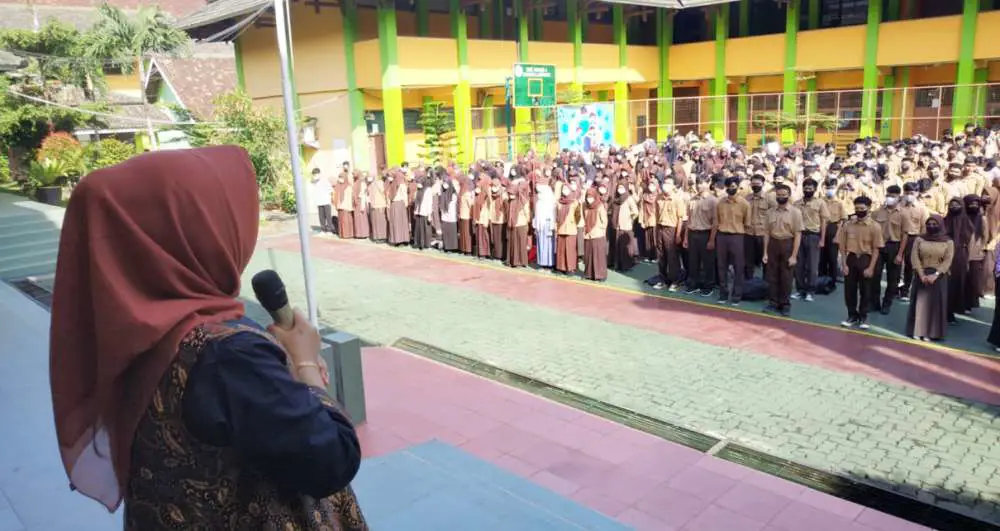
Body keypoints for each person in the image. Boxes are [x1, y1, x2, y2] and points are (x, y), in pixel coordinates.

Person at [49, 146, 366, 529]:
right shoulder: (229, 356)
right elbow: (332, 460)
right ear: (197, 230)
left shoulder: (132, 334)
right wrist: (304, 364)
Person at [837, 196, 884, 329]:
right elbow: (842, 246)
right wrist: (844, 263)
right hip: (851, 258)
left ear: (869, 209)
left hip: (866, 259)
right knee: (849, 290)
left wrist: (871, 268)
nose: (859, 211)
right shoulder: (848, 225)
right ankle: (852, 315)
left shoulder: (875, 227)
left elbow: (876, 249)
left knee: (866, 290)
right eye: (857, 208)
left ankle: (864, 316)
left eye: (862, 209)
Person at [905, 215, 954, 341]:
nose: (931, 226)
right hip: (921, 273)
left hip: (939, 276)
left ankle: (931, 332)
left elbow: (948, 260)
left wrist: (936, 275)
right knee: (920, 303)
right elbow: (914, 256)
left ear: (941, 225)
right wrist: (921, 274)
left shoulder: (948, 241)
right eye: (929, 224)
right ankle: (917, 330)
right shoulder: (919, 239)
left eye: (934, 224)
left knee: (935, 305)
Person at [762, 184, 803, 317]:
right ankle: (773, 302)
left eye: (784, 195)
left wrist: (794, 256)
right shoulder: (770, 212)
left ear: (789, 195)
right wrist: (765, 252)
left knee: (786, 277)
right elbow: (767, 233)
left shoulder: (795, 212)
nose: (781, 197)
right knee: (772, 275)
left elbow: (798, 234)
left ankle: (785, 304)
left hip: (788, 244)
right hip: (773, 244)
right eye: (778, 195)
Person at [712, 176, 750, 305]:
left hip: (737, 237)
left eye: (733, 187)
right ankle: (723, 293)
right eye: (729, 187)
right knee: (721, 266)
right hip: (722, 236)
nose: (731, 189)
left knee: (738, 267)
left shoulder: (744, 204)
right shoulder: (720, 202)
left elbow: (747, 223)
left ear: (738, 188)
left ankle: (736, 295)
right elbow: (716, 222)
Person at [870, 185, 905, 314]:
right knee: (875, 275)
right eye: (888, 195)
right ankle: (874, 303)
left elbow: (904, 235)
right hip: (879, 246)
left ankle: (887, 303)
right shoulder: (878, 212)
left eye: (893, 196)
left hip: (894, 246)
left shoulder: (903, 214)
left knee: (893, 278)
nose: (890, 198)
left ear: (899, 197)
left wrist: (900, 254)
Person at [791, 178, 829, 302]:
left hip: (813, 236)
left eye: (810, 188)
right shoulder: (796, 203)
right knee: (799, 265)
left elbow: (824, 222)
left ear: (814, 189)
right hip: (799, 235)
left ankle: (810, 291)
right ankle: (800, 290)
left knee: (812, 266)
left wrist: (822, 239)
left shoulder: (820, 203)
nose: (808, 190)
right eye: (806, 188)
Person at [684, 176, 718, 296]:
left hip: (706, 234)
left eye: (702, 182)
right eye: (698, 183)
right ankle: (693, 284)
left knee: (708, 262)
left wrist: (711, 240)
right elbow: (688, 220)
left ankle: (708, 286)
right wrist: (685, 238)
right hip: (693, 234)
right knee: (693, 261)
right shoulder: (692, 200)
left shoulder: (713, 201)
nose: (699, 185)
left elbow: (715, 223)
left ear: (708, 183)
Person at [898, 181, 929, 301]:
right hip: (898, 238)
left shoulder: (921, 208)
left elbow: (924, 227)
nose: (908, 195)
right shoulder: (899, 205)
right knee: (897, 265)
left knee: (910, 266)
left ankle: (906, 289)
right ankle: (896, 288)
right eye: (906, 193)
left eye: (911, 193)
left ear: (917, 193)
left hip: (913, 238)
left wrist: (921, 242)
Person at [654, 178, 685, 291]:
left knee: (672, 256)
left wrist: (678, 235)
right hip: (660, 227)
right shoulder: (659, 197)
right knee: (661, 255)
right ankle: (662, 279)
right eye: (664, 183)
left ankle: (675, 281)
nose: (665, 185)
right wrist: (657, 229)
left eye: (668, 183)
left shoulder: (677, 200)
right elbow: (657, 214)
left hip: (672, 229)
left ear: (673, 186)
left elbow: (680, 218)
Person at [744, 173, 772, 279]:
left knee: (766, 261)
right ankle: (748, 285)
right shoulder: (746, 199)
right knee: (748, 261)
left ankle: (766, 285)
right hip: (748, 234)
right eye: (753, 183)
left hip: (763, 234)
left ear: (763, 184)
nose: (755, 185)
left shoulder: (769, 199)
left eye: (758, 183)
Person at [819, 178, 846, 282]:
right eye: (828, 188)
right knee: (821, 257)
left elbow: (842, 221)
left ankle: (832, 279)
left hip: (833, 228)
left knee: (832, 256)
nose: (830, 190)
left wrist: (837, 235)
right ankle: (821, 279)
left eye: (832, 188)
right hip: (822, 227)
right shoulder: (820, 201)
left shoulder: (839, 203)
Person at [583, 188, 609, 281]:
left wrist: (600, 229)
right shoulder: (585, 206)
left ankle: (600, 275)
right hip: (587, 234)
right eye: (587, 197)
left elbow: (604, 221)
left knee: (598, 256)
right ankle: (589, 274)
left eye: (591, 197)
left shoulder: (600, 206)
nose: (589, 199)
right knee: (588, 255)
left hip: (598, 234)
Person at [534, 178, 557, 268]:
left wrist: (551, 225)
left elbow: (553, 214)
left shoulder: (550, 199)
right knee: (541, 243)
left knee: (548, 244)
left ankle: (550, 262)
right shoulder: (539, 202)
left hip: (548, 224)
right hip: (540, 225)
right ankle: (542, 262)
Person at [439, 176, 459, 252]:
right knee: (445, 231)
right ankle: (446, 246)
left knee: (451, 232)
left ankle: (452, 247)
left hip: (451, 215)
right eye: (444, 182)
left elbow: (454, 204)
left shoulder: (453, 192)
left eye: (446, 182)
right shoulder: (443, 191)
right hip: (444, 215)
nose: (445, 184)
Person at [312, 167, 334, 233]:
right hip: (319, 202)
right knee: (321, 217)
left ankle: (330, 230)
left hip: (326, 201)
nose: (315, 176)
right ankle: (323, 230)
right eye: (314, 175)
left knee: (328, 216)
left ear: (319, 174)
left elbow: (331, 190)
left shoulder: (325, 181)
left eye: (316, 174)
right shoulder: (315, 182)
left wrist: (331, 198)